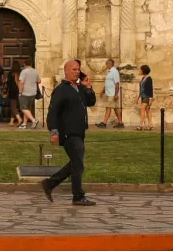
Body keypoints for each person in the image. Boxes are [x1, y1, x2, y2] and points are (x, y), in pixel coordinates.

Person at [41, 60, 98, 206]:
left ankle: (49, 184)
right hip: (68, 133)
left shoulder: (79, 88)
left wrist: (88, 87)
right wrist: (54, 132)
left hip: (79, 132)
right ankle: (78, 196)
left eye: (78, 69)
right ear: (66, 71)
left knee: (75, 163)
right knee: (78, 165)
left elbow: (91, 102)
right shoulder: (61, 89)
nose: (77, 71)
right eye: (74, 69)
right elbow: (53, 112)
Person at [97, 59, 123, 129]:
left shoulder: (114, 71)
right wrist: (103, 91)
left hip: (112, 94)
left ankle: (104, 123)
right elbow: (107, 83)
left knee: (108, 108)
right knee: (116, 109)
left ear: (110, 64)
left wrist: (116, 94)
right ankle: (120, 123)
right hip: (109, 93)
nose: (106, 65)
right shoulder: (109, 72)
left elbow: (117, 83)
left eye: (107, 64)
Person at [18, 60, 40, 129]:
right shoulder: (35, 71)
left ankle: (34, 120)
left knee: (23, 108)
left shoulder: (24, 72)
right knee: (27, 109)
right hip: (33, 92)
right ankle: (24, 124)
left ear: (24, 64)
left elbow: (21, 82)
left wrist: (20, 92)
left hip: (25, 92)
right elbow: (39, 81)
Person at [136, 65, 154, 131]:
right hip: (143, 96)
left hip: (147, 96)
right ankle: (150, 125)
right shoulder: (143, 78)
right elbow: (141, 89)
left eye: (140, 69)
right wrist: (138, 97)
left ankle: (140, 125)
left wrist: (150, 99)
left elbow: (150, 89)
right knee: (147, 110)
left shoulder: (149, 78)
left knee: (142, 109)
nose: (139, 71)